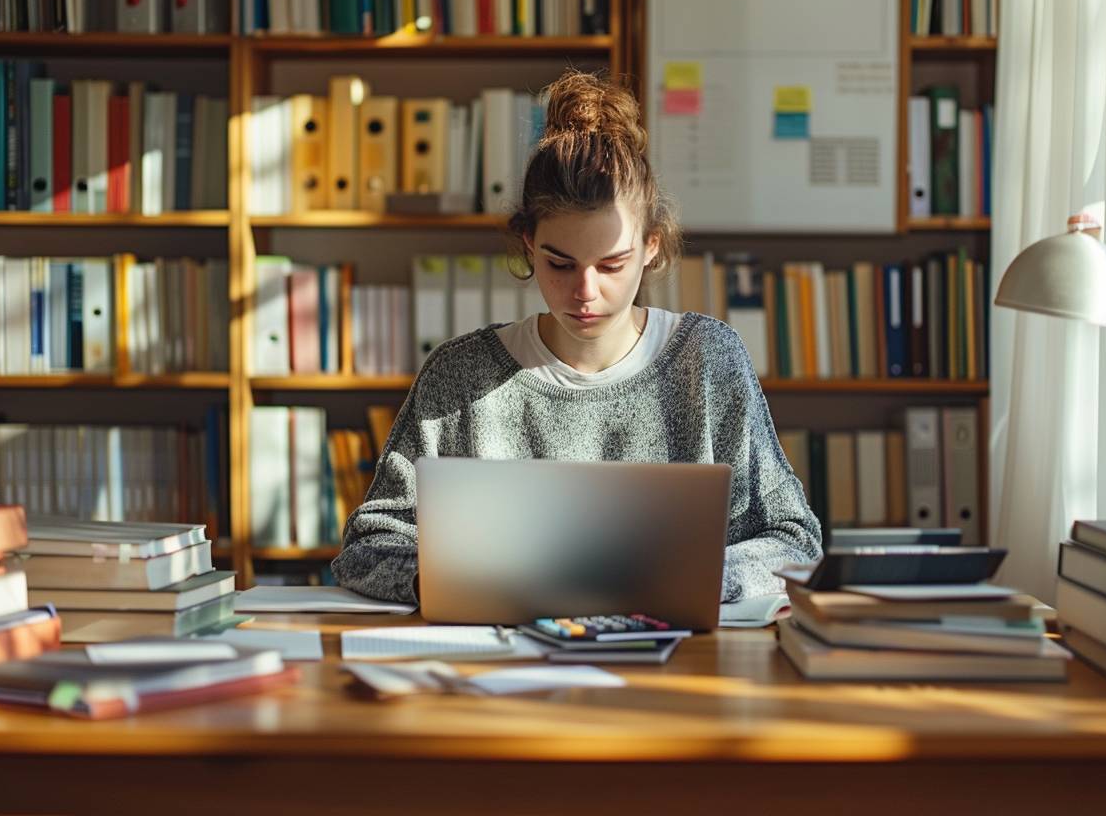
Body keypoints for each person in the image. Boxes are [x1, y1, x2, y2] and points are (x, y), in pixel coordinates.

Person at [332, 70, 823, 605]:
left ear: (651, 246)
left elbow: (795, 543)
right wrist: (453, 581)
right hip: (504, 668)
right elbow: (369, 547)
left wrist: (687, 577)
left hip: (677, 662)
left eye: (612, 264)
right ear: (528, 244)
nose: (585, 292)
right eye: (559, 264)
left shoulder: (707, 362)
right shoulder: (461, 374)